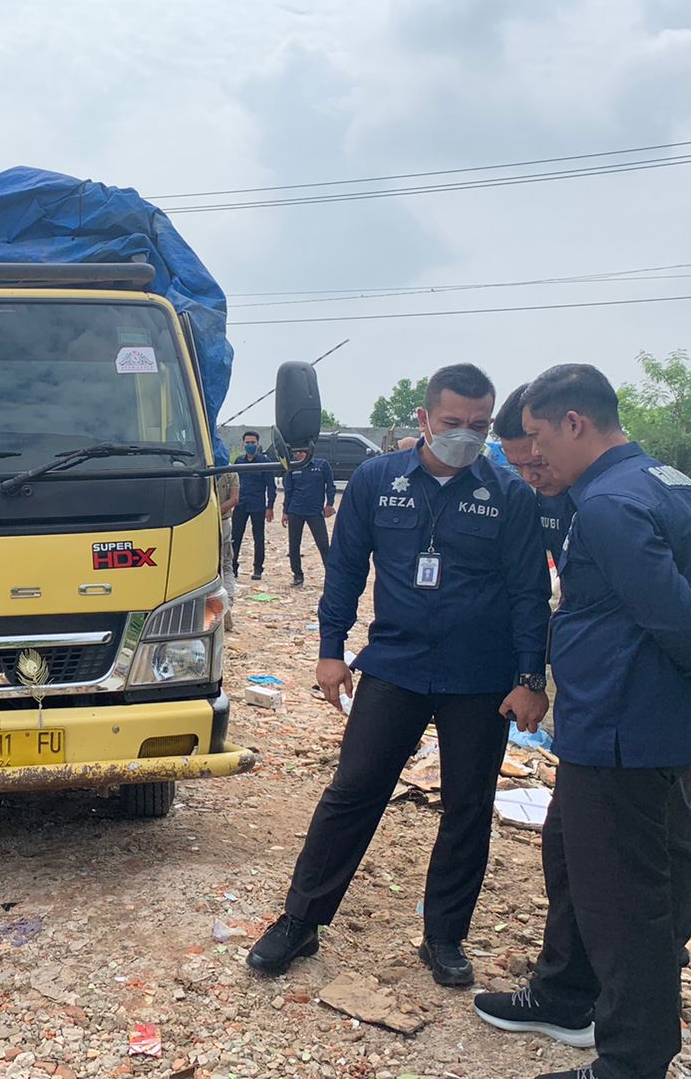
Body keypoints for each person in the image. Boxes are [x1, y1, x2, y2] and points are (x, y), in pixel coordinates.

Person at [474, 365, 691, 1079]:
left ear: (573, 423)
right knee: (572, 856)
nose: (532, 459)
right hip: (616, 728)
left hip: (631, 730)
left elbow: (686, 620)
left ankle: (631, 1078)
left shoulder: (608, 505)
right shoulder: (670, 484)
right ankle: (565, 994)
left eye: (536, 439)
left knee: (626, 903)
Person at [248, 364, 551, 986]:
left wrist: (530, 677)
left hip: (480, 678)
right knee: (352, 793)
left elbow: (528, 593)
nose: (465, 435)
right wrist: (331, 649)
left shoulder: (509, 494)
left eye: (478, 425)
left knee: (467, 807)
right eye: (451, 423)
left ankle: (444, 937)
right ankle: (299, 922)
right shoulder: (376, 479)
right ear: (423, 419)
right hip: (396, 665)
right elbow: (347, 570)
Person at [492, 386, 691, 794]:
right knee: (568, 848)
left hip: (632, 728)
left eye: (538, 461)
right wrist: (532, 679)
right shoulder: (550, 503)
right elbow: (535, 594)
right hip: (596, 725)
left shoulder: (613, 502)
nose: (532, 476)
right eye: (518, 467)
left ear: (567, 430)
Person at [280, 446, 336, 587]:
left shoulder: (322, 465)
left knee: (323, 544)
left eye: (302, 451)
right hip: (295, 511)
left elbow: (330, 486)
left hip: (315, 512)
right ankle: (297, 575)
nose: (300, 454)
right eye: (297, 452)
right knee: (294, 545)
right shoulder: (292, 468)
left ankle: (331, 576)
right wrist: (285, 512)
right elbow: (288, 490)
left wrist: (329, 504)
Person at [231, 431, 278, 581]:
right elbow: (234, 484)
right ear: (243, 444)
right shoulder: (239, 461)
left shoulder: (264, 462)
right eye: (247, 442)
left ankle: (258, 569)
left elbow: (271, 486)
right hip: (240, 504)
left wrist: (270, 506)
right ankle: (232, 567)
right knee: (235, 537)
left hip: (258, 506)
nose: (250, 445)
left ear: (258, 444)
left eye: (253, 442)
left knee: (258, 537)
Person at [216, 469, 240, 631]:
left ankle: (223, 607)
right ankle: (226, 604)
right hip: (222, 521)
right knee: (225, 565)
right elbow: (234, 499)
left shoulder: (202, 466)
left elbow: (234, 499)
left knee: (220, 566)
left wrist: (210, 512)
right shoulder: (230, 471)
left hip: (204, 520)